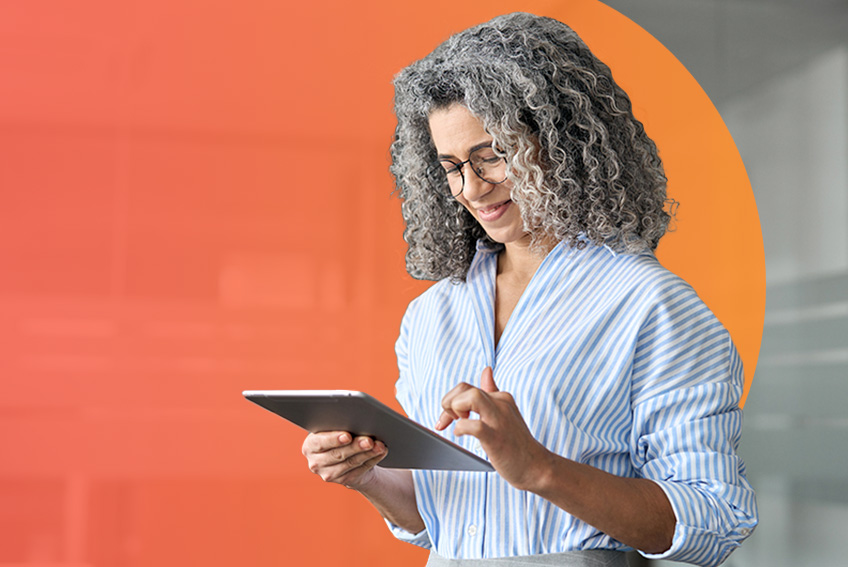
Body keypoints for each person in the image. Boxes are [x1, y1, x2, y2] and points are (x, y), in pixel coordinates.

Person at [301, 12, 757, 567]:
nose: (471, 188)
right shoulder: (430, 315)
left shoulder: (651, 306)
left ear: (560, 141)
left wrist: (539, 468)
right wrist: (368, 476)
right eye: (451, 166)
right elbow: (439, 519)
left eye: (491, 155)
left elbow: (712, 519)